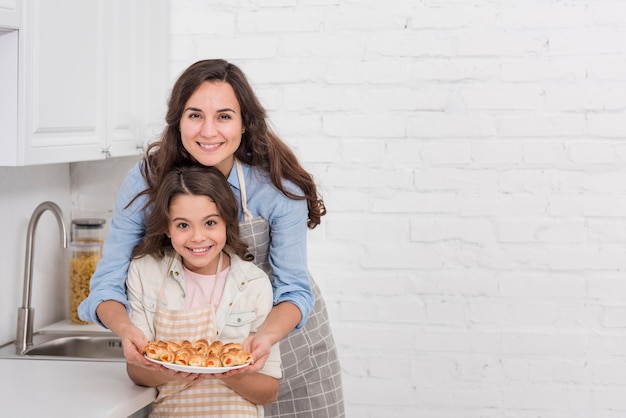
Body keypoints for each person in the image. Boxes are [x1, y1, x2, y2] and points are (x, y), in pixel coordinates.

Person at [78, 59, 344, 417]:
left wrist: (263, 340)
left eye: (223, 116)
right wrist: (127, 332)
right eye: (194, 115)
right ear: (177, 120)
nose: (208, 131)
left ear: (244, 123)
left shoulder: (275, 190)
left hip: (286, 350)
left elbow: (295, 290)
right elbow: (107, 284)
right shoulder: (146, 182)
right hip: (188, 380)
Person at [126, 165, 281, 417]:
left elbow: (269, 390)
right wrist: (169, 369)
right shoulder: (146, 272)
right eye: (183, 225)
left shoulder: (253, 284)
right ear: (167, 227)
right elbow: (135, 371)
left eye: (210, 223)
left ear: (226, 222)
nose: (197, 237)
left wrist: (226, 371)